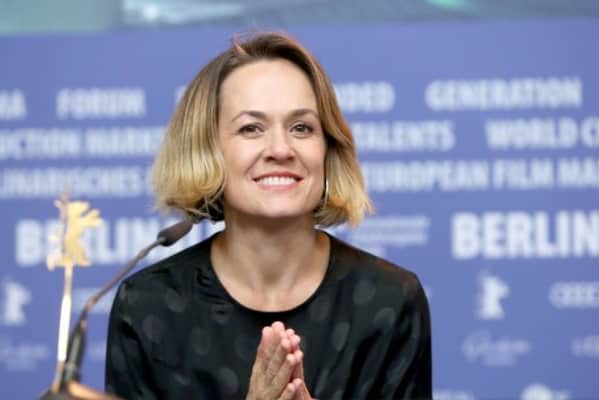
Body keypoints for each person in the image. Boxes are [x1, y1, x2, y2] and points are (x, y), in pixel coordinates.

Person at [105, 31, 432, 400]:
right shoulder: (149, 305)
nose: (280, 149)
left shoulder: (389, 301)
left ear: (328, 149)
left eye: (301, 128)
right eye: (251, 128)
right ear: (207, 151)